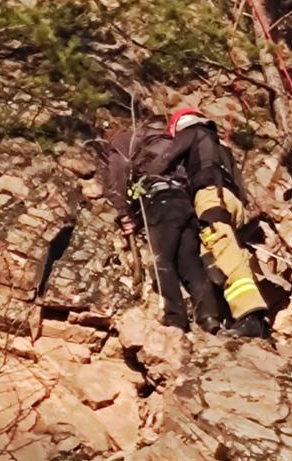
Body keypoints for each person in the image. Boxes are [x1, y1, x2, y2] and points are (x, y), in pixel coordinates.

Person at [158, 107, 270, 338]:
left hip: (211, 194)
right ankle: (232, 312)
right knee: (215, 255)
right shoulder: (223, 149)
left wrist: (144, 177)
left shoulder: (193, 132)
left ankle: (250, 315)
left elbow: (166, 159)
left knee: (222, 249)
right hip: (232, 201)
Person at [99, 122, 220, 333]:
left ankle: (176, 318)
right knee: (191, 265)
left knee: (162, 260)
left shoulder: (120, 142)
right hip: (184, 200)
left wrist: (122, 212)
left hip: (160, 200)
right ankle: (209, 318)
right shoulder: (161, 140)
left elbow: (116, 176)